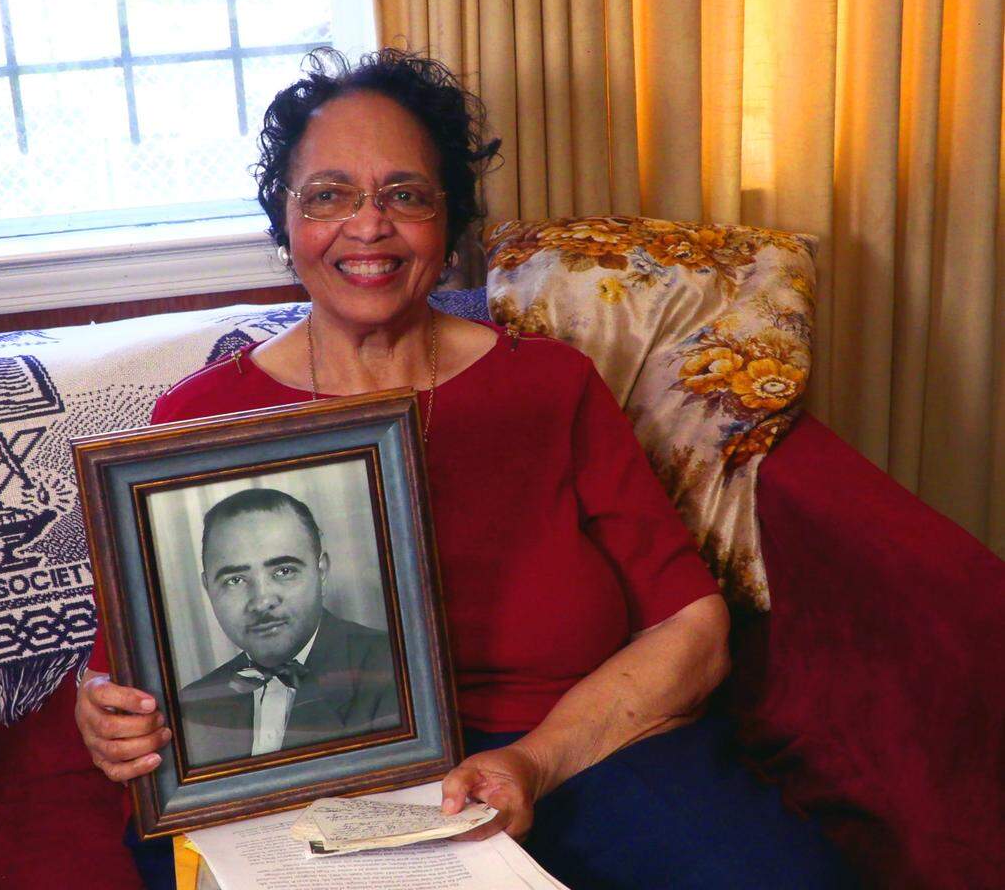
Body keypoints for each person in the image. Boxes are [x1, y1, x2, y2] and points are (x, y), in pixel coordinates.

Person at [75, 48, 854, 889]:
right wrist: (106, 712)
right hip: (308, 787)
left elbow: (691, 629)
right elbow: (132, 666)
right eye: (329, 196)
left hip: (577, 754)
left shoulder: (548, 386)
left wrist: (535, 762)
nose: (368, 226)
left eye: (405, 195)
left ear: (448, 225)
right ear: (285, 221)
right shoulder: (199, 420)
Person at [178, 487, 399, 766]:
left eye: (284, 571)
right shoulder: (193, 706)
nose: (261, 601)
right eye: (234, 580)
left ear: (321, 572)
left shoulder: (397, 668)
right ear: (208, 588)